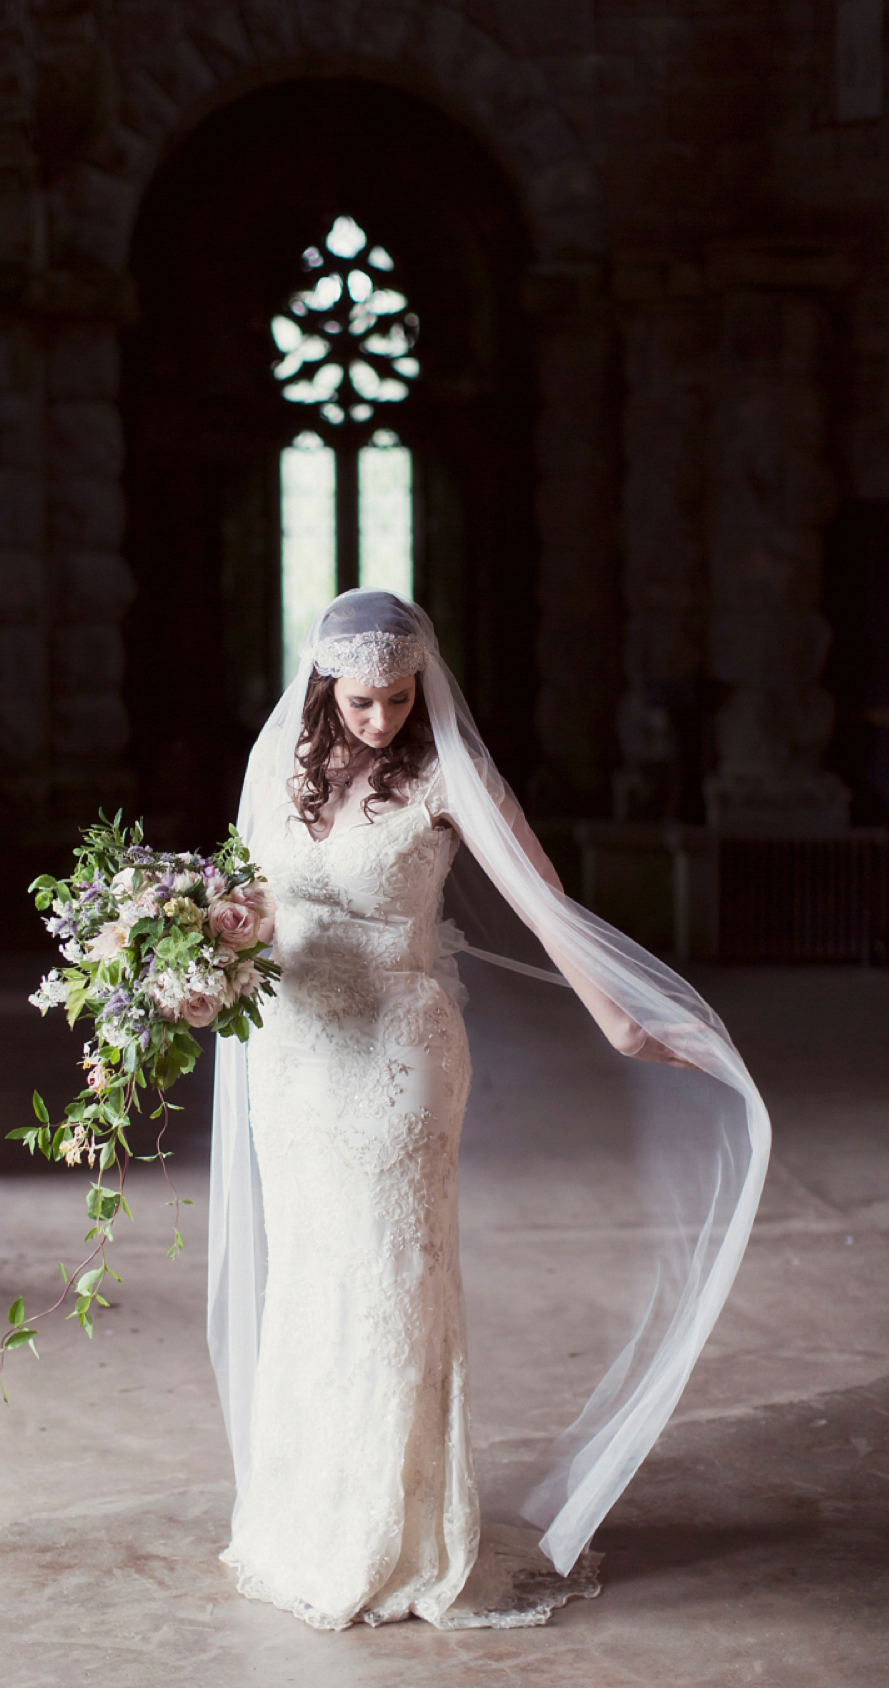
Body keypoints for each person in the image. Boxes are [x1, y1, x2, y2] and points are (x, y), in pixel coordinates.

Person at [208, 590, 770, 1631]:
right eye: (362, 700)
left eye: (397, 696)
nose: (380, 718)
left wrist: (621, 1020)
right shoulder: (281, 760)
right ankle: (307, 1519)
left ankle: (399, 1536)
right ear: (326, 684)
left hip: (398, 1058)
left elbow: (543, 900)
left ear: (424, 681)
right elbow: (245, 899)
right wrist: (199, 969)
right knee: (313, 1274)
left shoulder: (446, 772)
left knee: (388, 1278)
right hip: (293, 1058)